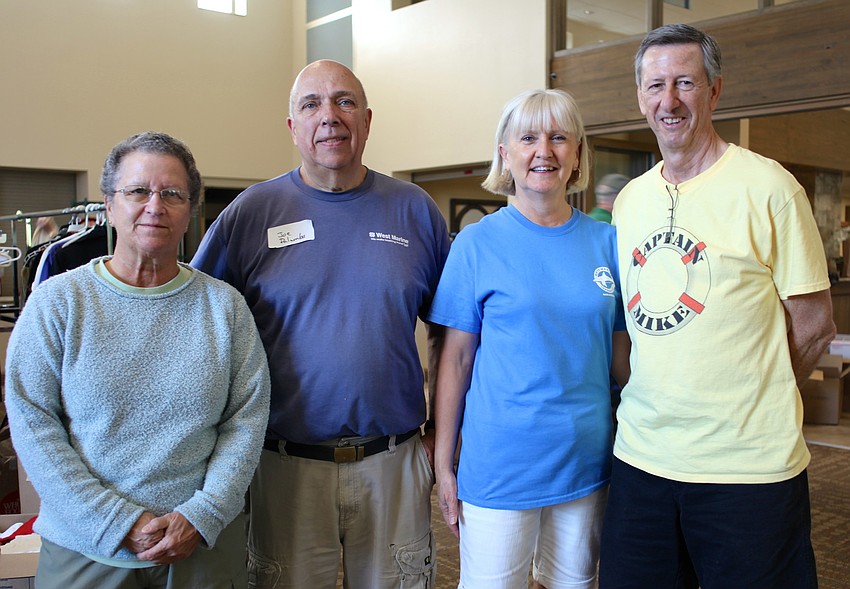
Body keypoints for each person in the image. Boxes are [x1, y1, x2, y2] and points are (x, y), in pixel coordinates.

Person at [191, 60, 450, 588]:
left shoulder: (415, 211)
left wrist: (442, 432)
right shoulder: (250, 213)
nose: (329, 116)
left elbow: (452, 330)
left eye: (344, 101)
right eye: (311, 104)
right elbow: (197, 324)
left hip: (394, 461)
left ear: (368, 119)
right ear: (293, 127)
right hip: (283, 465)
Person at [598, 24, 836, 589]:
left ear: (715, 91)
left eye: (685, 82)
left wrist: (757, 394)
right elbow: (632, 328)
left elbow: (814, 325)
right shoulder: (631, 200)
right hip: (642, 462)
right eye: (656, 86)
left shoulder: (770, 189)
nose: (669, 100)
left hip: (746, 471)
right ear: (640, 97)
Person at [4, 132, 271, 589]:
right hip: (86, 553)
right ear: (109, 204)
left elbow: (245, 420)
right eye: (137, 191)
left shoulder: (224, 308)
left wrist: (201, 514)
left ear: (189, 211)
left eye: (172, 194)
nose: (155, 205)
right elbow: (33, 426)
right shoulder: (58, 303)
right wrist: (115, 521)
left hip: (201, 551)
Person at [429, 89, 630, 589]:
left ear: (577, 153)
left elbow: (624, 360)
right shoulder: (477, 243)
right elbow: (454, 362)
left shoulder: (609, 243)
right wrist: (443, 463)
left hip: (586, 463)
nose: (545, 151)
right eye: (529, 138)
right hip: (500, 463)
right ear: (505, 153)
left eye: (560, 138)